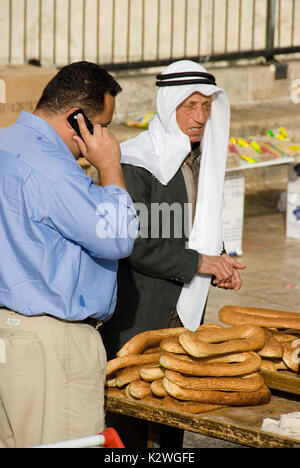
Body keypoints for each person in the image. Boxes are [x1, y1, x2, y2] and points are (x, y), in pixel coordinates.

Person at [100, 60, 246, 447]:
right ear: (169, 106)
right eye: (189, 106)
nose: (199, 118)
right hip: (139, 311)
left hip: (184, 311)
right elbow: (133, 242)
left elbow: (197, 223)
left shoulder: (202, 156)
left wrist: (220, 260)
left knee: (174, 413)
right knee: (129, 417)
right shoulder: (135, 162)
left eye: (206, 107)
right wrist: (200, 262)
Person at [0, 61, 138, 448]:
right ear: (78, 119)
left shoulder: (6, 143)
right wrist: (110, 166)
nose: (106, 135)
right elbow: (118, 238)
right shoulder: (54, 171)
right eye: (104, 125)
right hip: (50, 345)